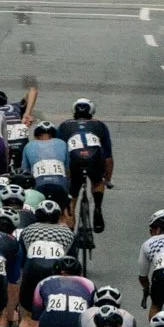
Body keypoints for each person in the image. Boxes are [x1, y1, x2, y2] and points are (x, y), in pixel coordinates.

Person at [58, 98, 114, 231]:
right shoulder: (100, 125)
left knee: (72, 194)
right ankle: (98, 208)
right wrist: (108, 179)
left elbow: (59, 151)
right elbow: (108, 158)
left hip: (74, 159)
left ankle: (69, 226)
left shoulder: (64, 125)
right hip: (94, 157)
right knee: (97, 181)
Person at [23, 121, 72, 212]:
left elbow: (25, 172)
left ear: (37, 136)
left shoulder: (29, 146)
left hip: (39, 187)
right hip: (60, 185)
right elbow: (68, 171)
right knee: (64, 212)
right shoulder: (62, 143)